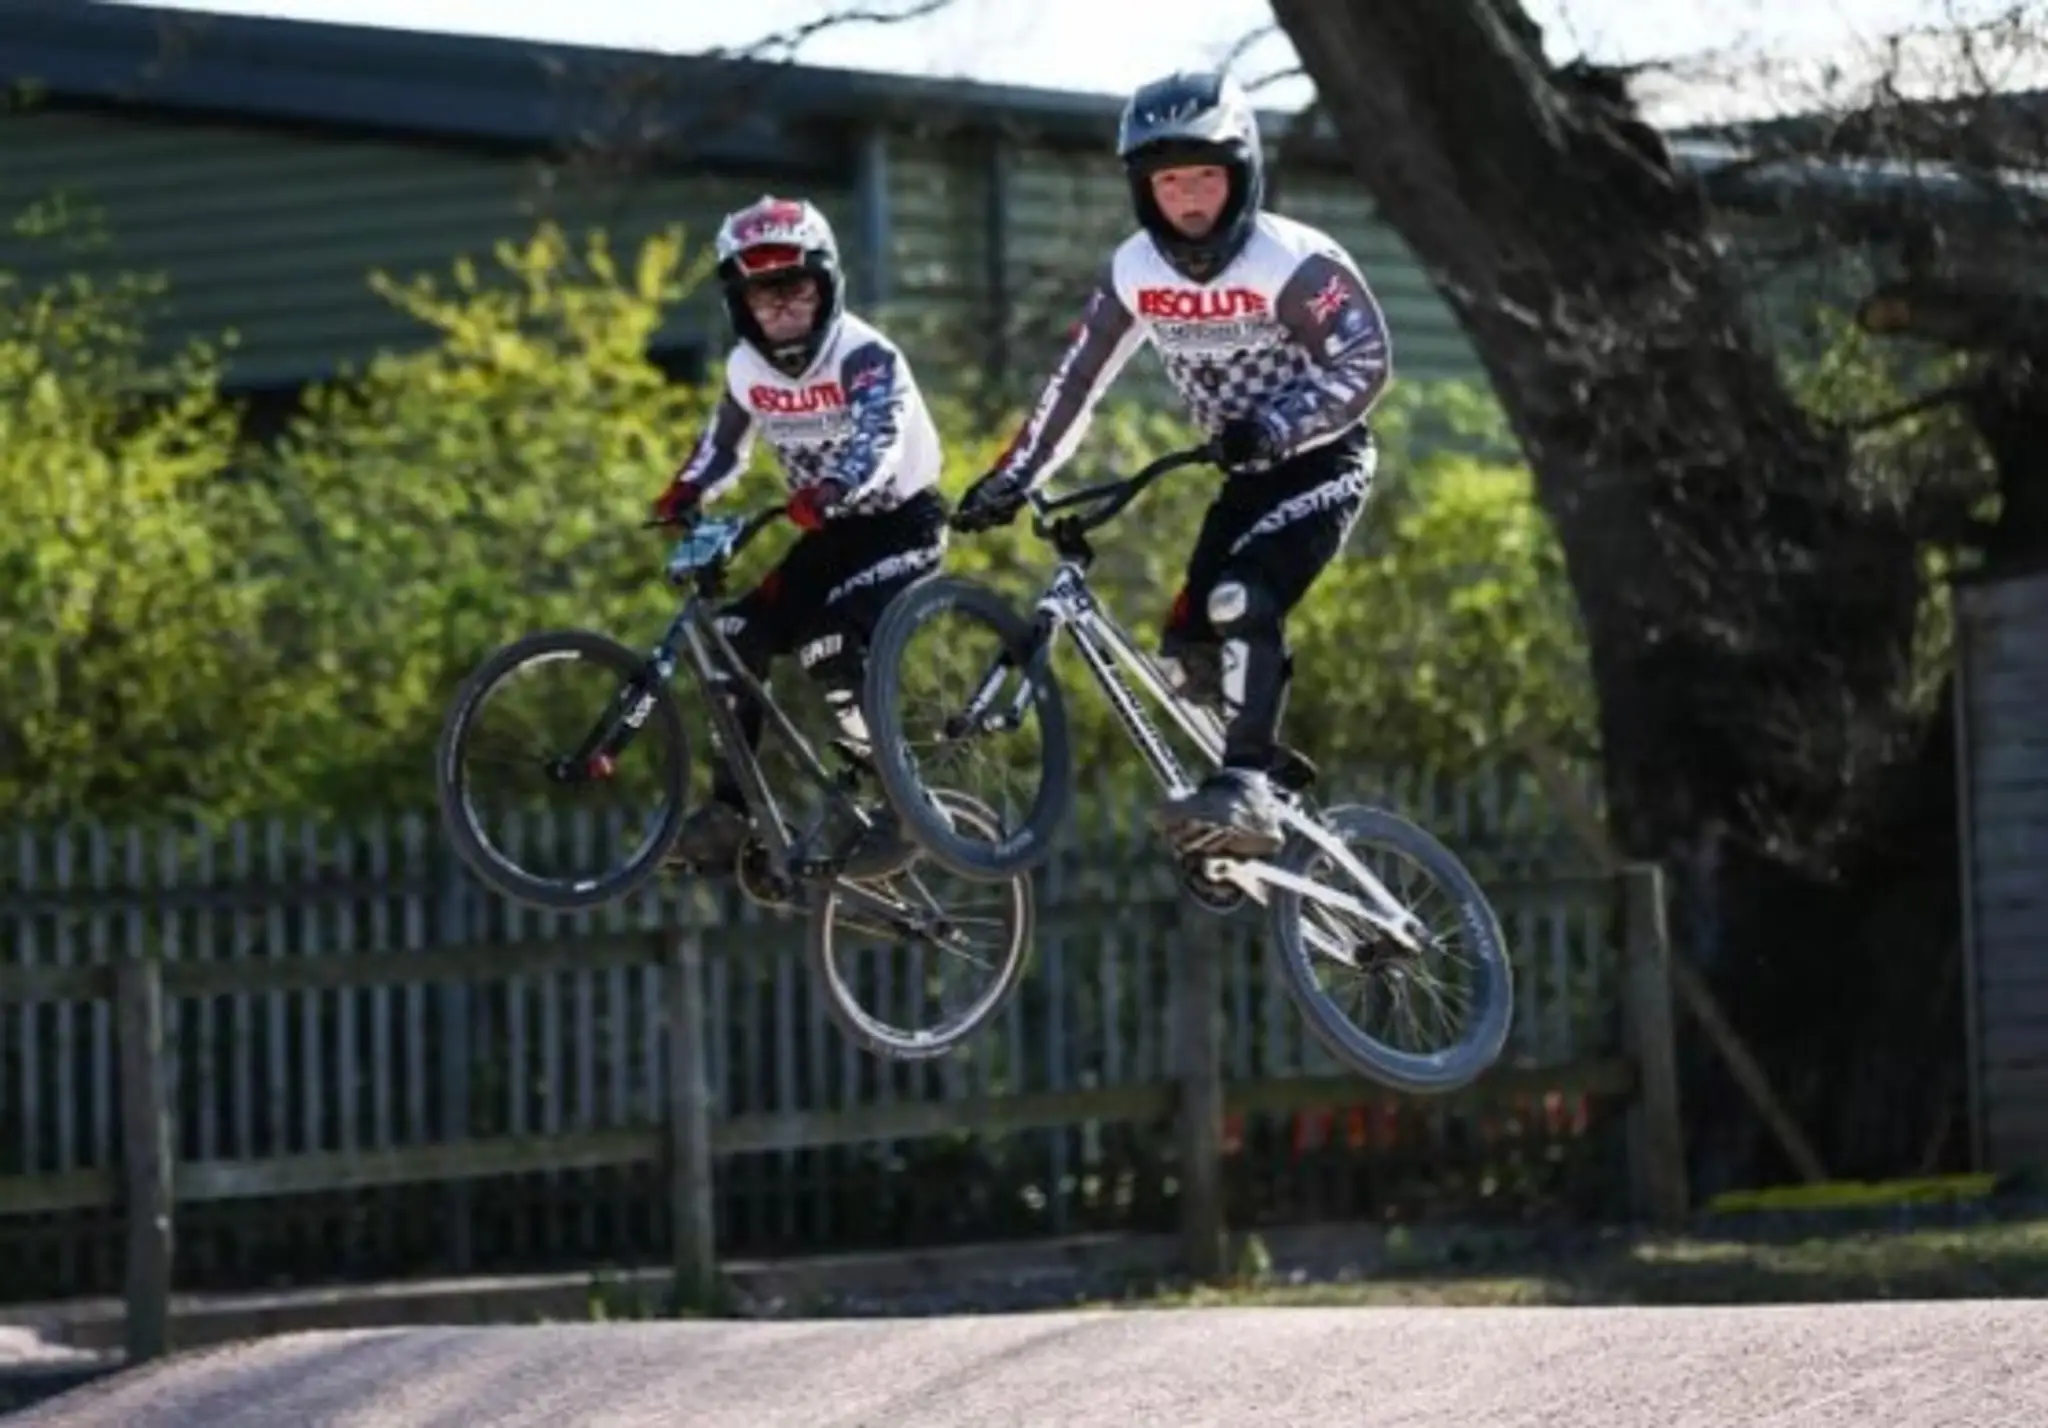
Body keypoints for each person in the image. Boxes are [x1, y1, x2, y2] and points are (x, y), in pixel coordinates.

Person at [951, 69, 1393, 858]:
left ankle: (1247, 784)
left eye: (1204, 177)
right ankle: (1261, 793)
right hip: (1243, 475)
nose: (1187, 198)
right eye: (1167, 181)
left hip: (1324, 463)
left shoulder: (1290, 261)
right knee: (1186, 650)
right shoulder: (1135, 272)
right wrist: (1012, 476)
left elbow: (1367, 362)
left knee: (1237, 599)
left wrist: (1278, 424)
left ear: (1243, 175)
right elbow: (1077, 380)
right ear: (1142, 189)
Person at [652, 195, 946, 870]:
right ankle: (732, 813)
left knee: (830, 643)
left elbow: (881, 433)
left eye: (795, 286)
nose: (780, 305)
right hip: (827, 533)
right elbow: (723, 447)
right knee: (731, 637)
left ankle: (905, 808)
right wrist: (687, 488)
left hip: (901, 525)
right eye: (762, 292)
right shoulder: (746, 370)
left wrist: (838, 486)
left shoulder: (865, 353)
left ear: (826, 285)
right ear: (740, 302)